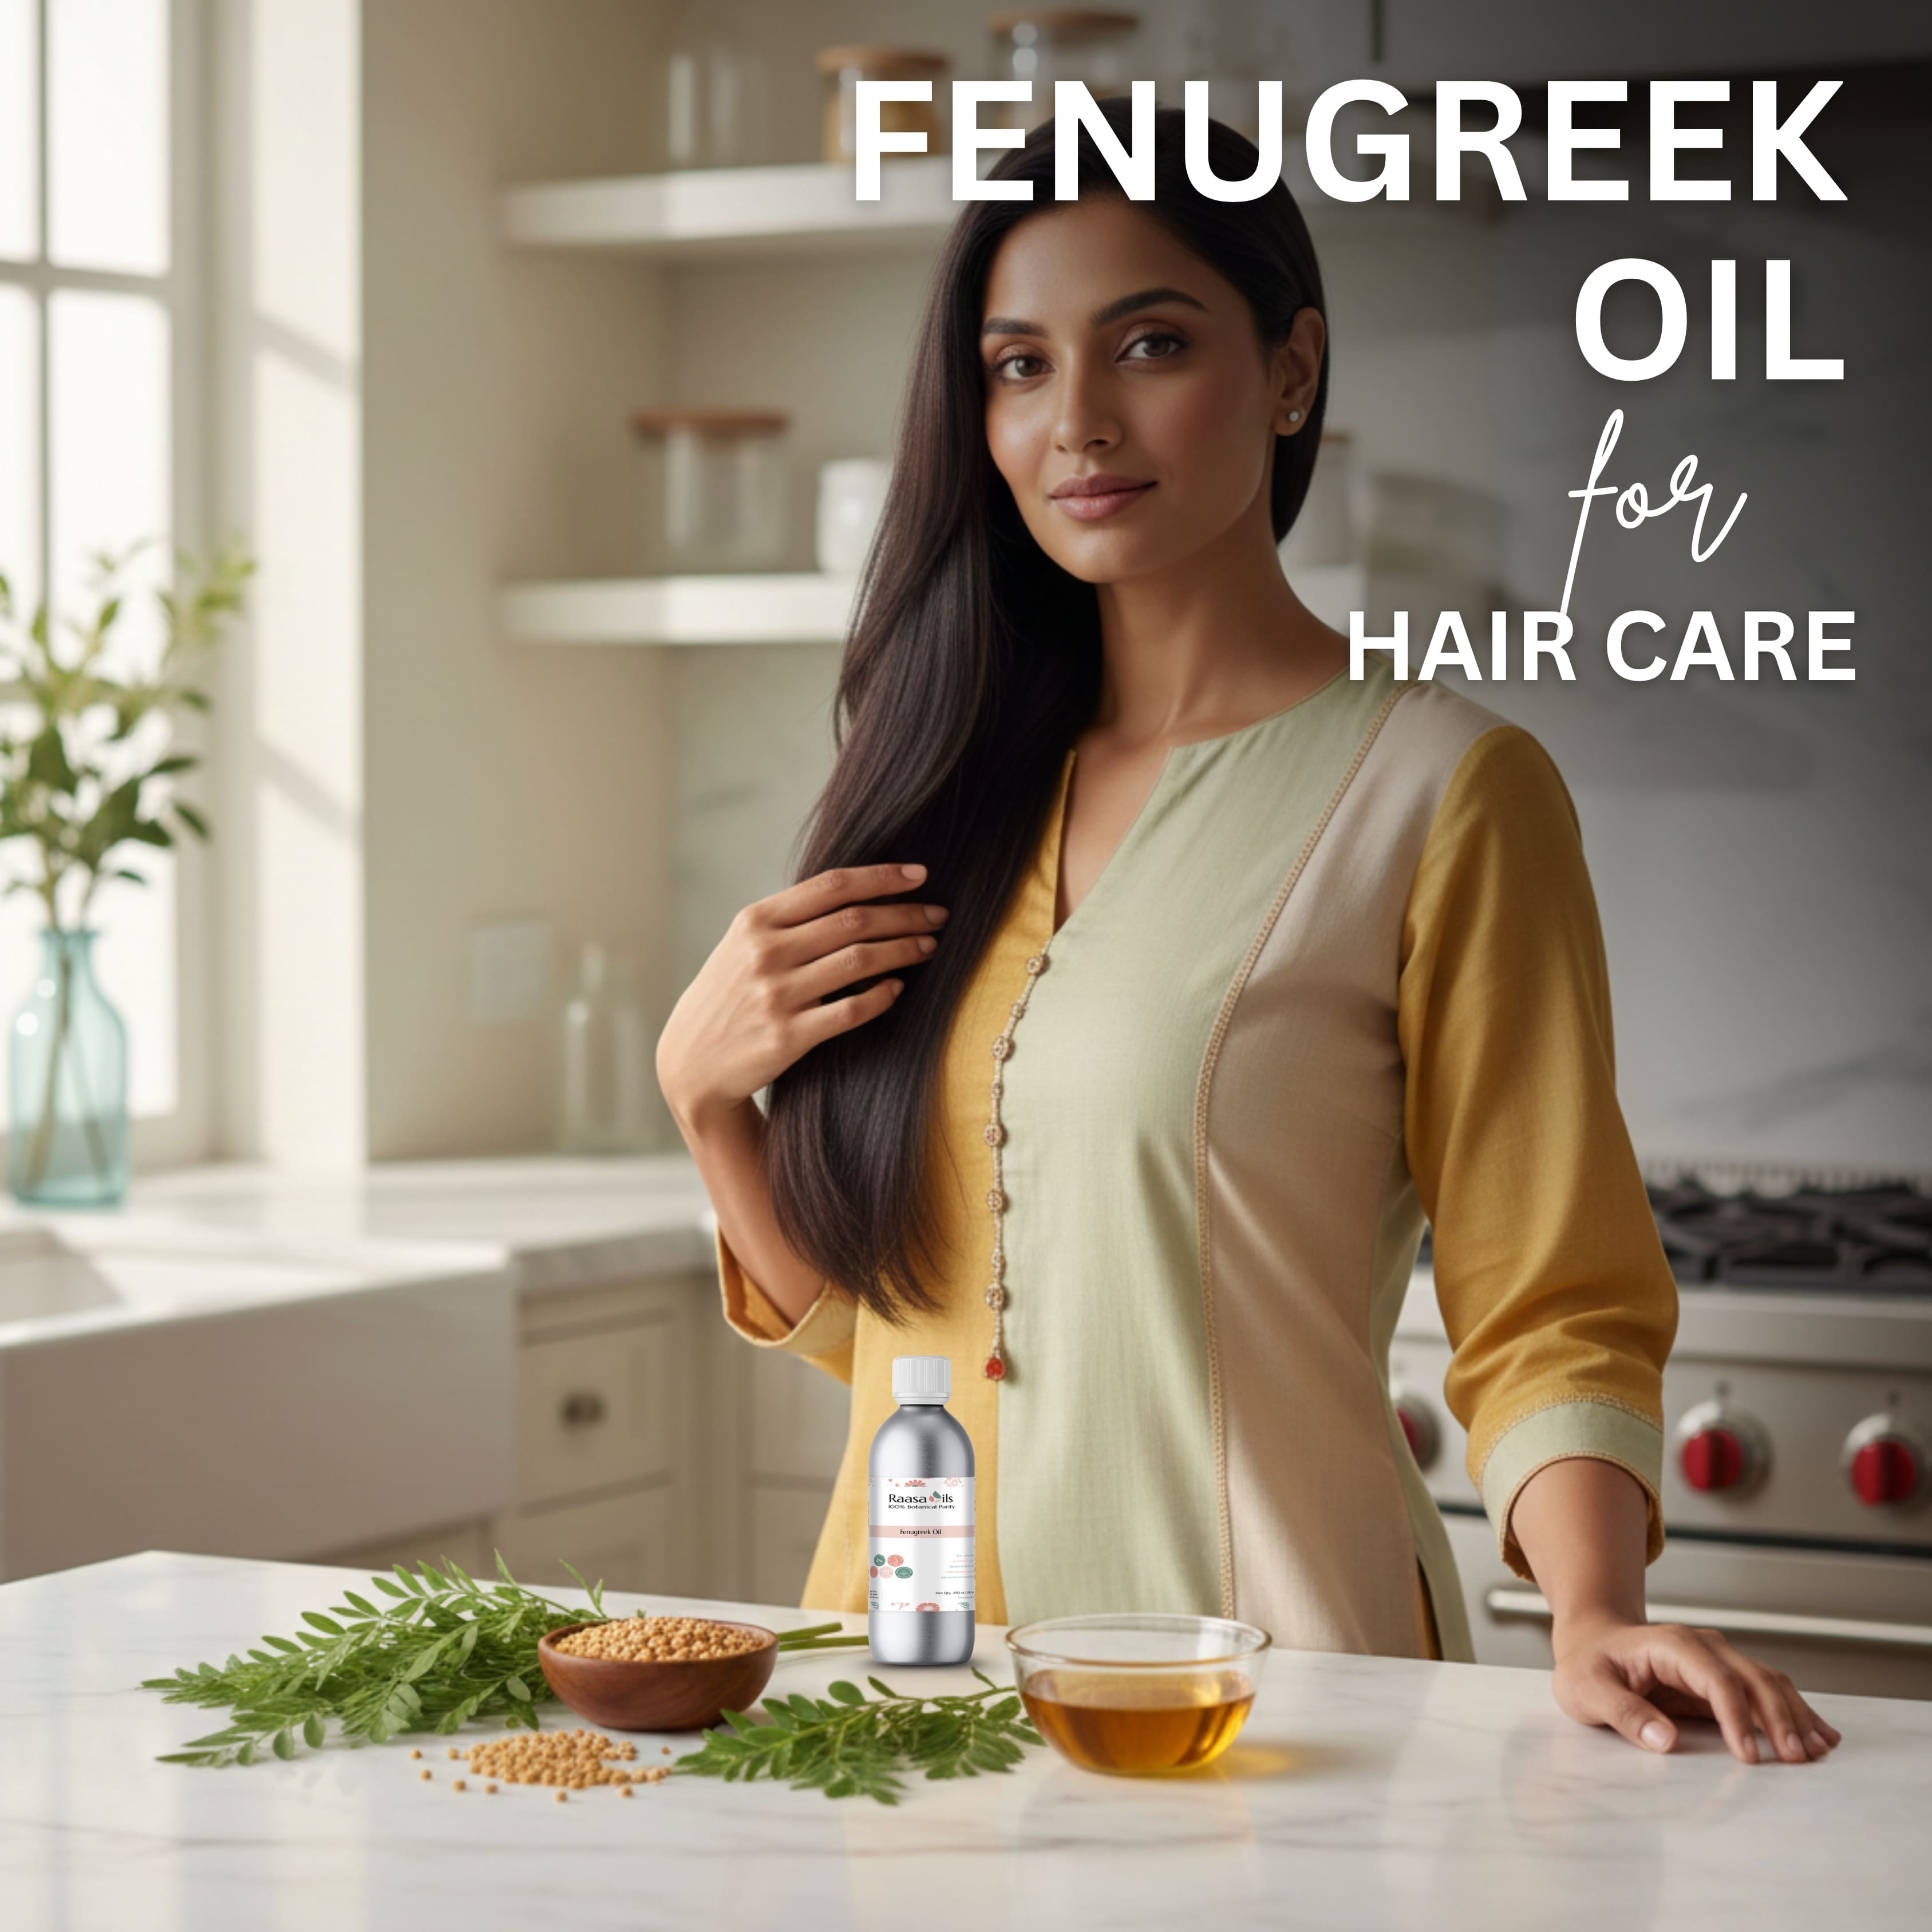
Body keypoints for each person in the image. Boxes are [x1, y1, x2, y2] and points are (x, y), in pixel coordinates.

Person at [657, 105, 1839, 1767]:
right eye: (1017, 366)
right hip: (907, 1707)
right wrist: (710, 1109)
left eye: (1150, 343)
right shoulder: (944, 796)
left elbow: (1548, 1290)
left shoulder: (1443, 791)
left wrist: (1591, 1609)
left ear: (1291, 373)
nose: (1078, 420)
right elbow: (908, 1331)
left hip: (1274, 1705)